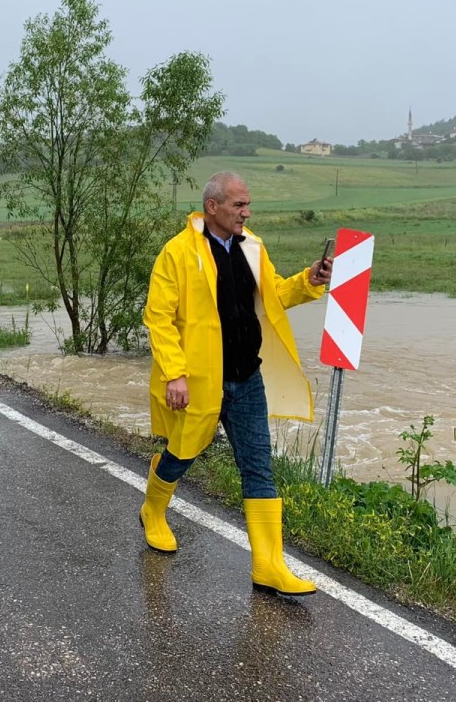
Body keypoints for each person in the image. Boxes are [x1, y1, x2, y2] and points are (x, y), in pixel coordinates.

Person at [140, 171, 332, 596]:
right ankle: (153, 511)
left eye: (248, 205)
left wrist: (308, 282)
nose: (246, 212)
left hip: (247, 377)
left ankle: (268, 565)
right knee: (182, 455)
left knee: (258, 466)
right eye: (238, 205)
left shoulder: (253, 248)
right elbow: (158, 317)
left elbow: (271, 297)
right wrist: (175, 373)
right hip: (199, 381)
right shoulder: (177, 252)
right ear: (213, 207)